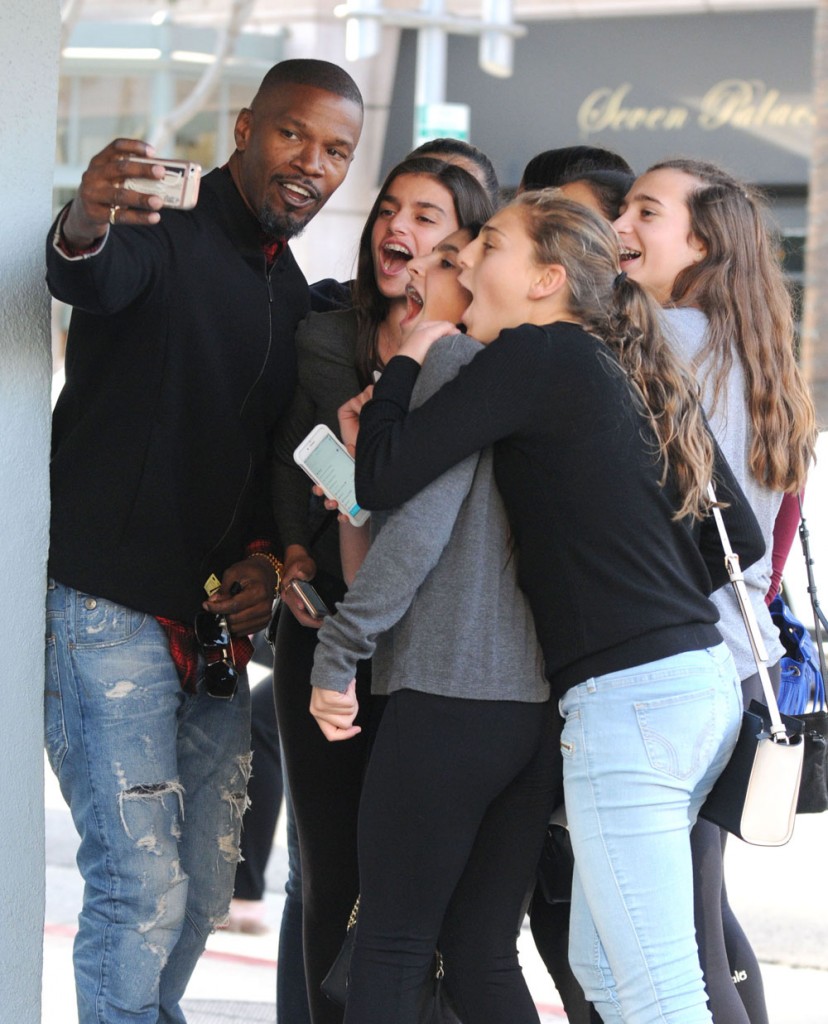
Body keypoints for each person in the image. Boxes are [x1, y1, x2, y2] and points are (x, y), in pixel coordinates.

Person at [350, 190, 766, 1024]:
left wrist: (410, 353)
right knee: (606, 970)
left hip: (632, 697)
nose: (463, 260)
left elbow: (381, 474)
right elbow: (742, 539)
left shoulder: (536, 358)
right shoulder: (622, 362)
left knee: (654, 988)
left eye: (489, 244)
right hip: (694, 682)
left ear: (546, 279)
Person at [43, 59, 363, 1024]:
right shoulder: (159, 228)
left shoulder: (296, 291)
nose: (312, 163)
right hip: (105, 609)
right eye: (293, 134)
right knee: (138, 893)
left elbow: (273, 460)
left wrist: (271, 559)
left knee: (197, 900)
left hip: (216, 633)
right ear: (242, 128)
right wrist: (87, 215)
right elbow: (84, 272)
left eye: (338, 150)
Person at [308, 223, 560, 1024]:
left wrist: (338, 649)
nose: (425, 268)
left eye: (458, 258)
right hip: (527, 710)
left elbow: (417, 539)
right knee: (483, 952)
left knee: (392, 944)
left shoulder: (454, 362)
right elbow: (387, 546)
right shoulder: (541, 378)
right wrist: (361, 467)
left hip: (449, 691)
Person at [269, 156, 493, 1024]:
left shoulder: (490, 350)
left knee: (429, 895)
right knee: (331, 871)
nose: (397, 228)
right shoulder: (328, 338)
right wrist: (292, 552)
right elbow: (292, 455)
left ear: (469, 244)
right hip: (330, 623)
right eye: (389, 210)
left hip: (441, 647)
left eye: (428, 217)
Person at [614, 158, 817, 1024]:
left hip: (665, 670)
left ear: (699, 241)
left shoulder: (658, 344)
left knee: (674, 943)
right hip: (736, 667)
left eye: (645, 212)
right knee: (697, 918)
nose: (622, 226)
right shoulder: (758, 358)